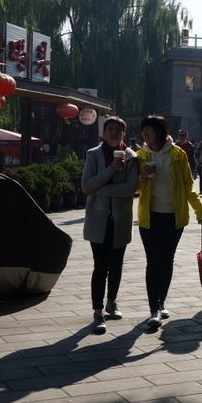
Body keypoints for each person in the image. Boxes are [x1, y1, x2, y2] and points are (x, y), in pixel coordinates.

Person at [136, 115, 202, 329]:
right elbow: (134, 189)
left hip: (174, 217)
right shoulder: (139, 156)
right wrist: (142, 176)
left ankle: (161, 301)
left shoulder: (178, 154)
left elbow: (188, 185)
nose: (145, 134)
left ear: (159, 131)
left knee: (166, 261)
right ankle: (153, 309)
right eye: (143, 130)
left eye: (149, 130)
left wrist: (199, 210)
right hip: (149, 217)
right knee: (152, 261)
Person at [81, 116, 138, 334]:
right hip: (98, 220)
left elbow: (130, 189)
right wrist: (112, 169)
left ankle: (112, 302)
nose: (114, 133)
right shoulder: (93, 155)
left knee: (116, 265)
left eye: (119, 130)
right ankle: (97, 311)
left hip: (121, 220)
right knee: (100, 266)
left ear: (124, 134)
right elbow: (86, 185)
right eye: (110, 129)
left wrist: (100, 189)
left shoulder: (132, 157)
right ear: (103, 133)